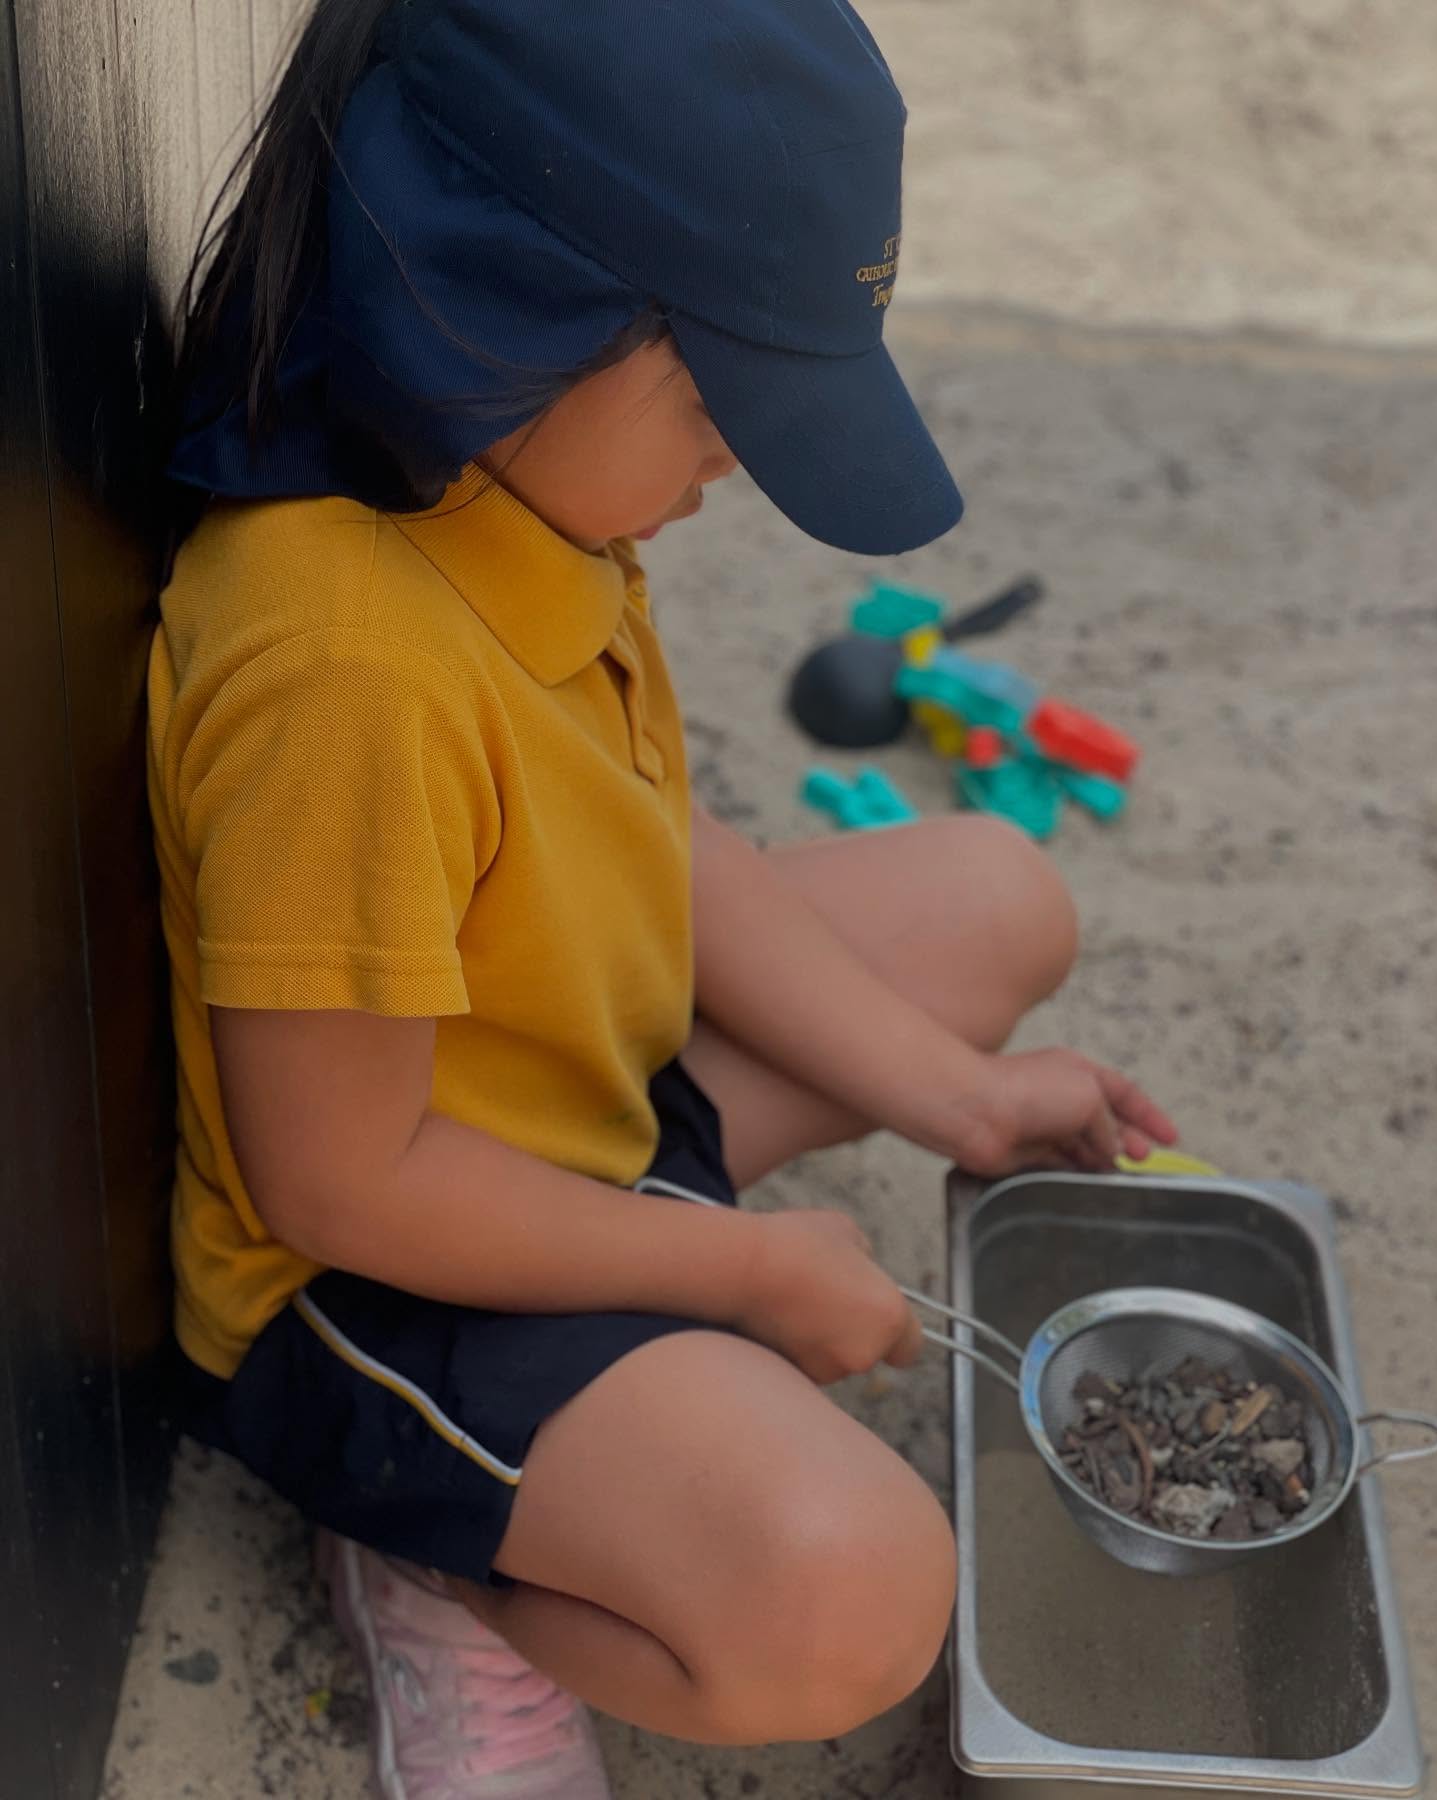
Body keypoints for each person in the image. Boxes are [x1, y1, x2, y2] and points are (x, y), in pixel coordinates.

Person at [149, 0, 1177, 1794]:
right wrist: (750, 1270)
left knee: (998, 901)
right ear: (501, 302)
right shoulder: (347, 669)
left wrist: (959, 1097)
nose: (732, 473)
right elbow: (339, 1176)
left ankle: (617, 1395)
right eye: (716, 403)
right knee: (854, 1602)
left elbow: (658, 842)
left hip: (573, 1110)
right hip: (383, 1281)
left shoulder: (534, 492)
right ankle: (445, 1568)